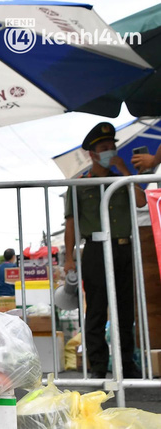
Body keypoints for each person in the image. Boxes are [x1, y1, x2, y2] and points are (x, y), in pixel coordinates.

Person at [63, 122, 147, 379]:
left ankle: (126, 365)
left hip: (123, 248)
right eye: (104, 147)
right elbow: (71, 223)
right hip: (95, 251)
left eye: (112, 146)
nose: (110, 150)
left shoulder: (123, 179)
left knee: (124, 310)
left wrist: (124, 172)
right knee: (97, 309)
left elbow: (142, 201)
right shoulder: (80, 184)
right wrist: (69, 258)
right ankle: (98, 365)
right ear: (92, 153)